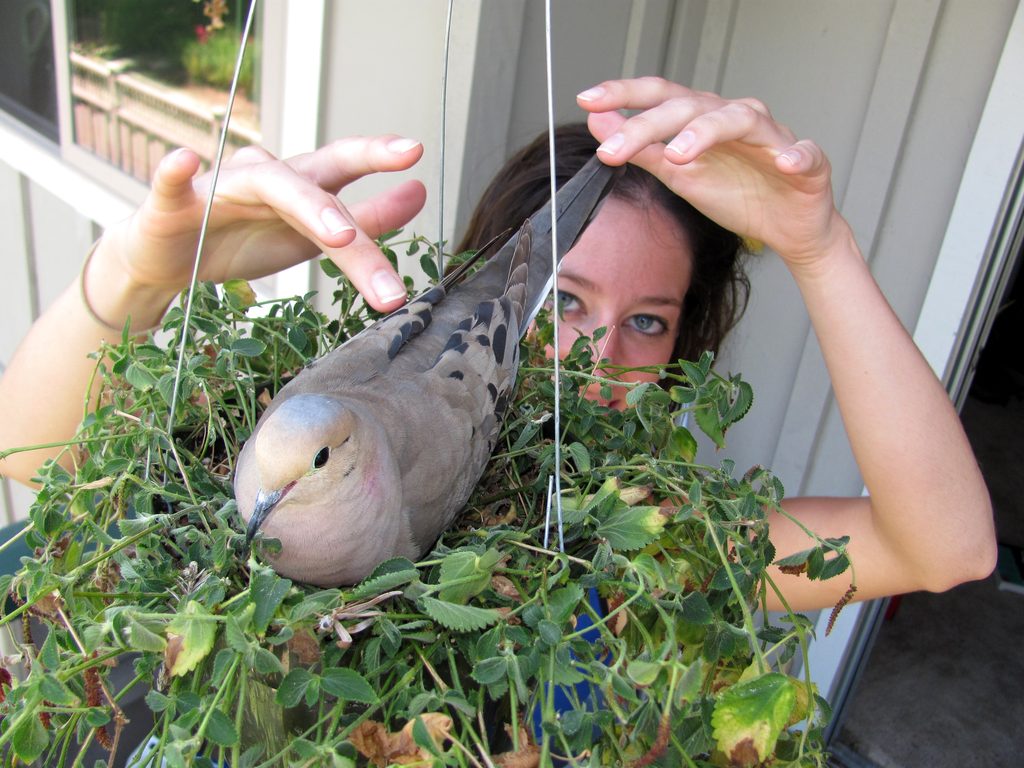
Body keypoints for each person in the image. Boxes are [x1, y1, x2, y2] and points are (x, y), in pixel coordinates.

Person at [0, 77, 996, 613]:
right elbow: (38, 462)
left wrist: (819, 249)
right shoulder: (325, 433)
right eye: (561, 301)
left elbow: (943, 550)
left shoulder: (651, 548)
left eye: (647, 322)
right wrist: (141, 270)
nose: (593, 354)